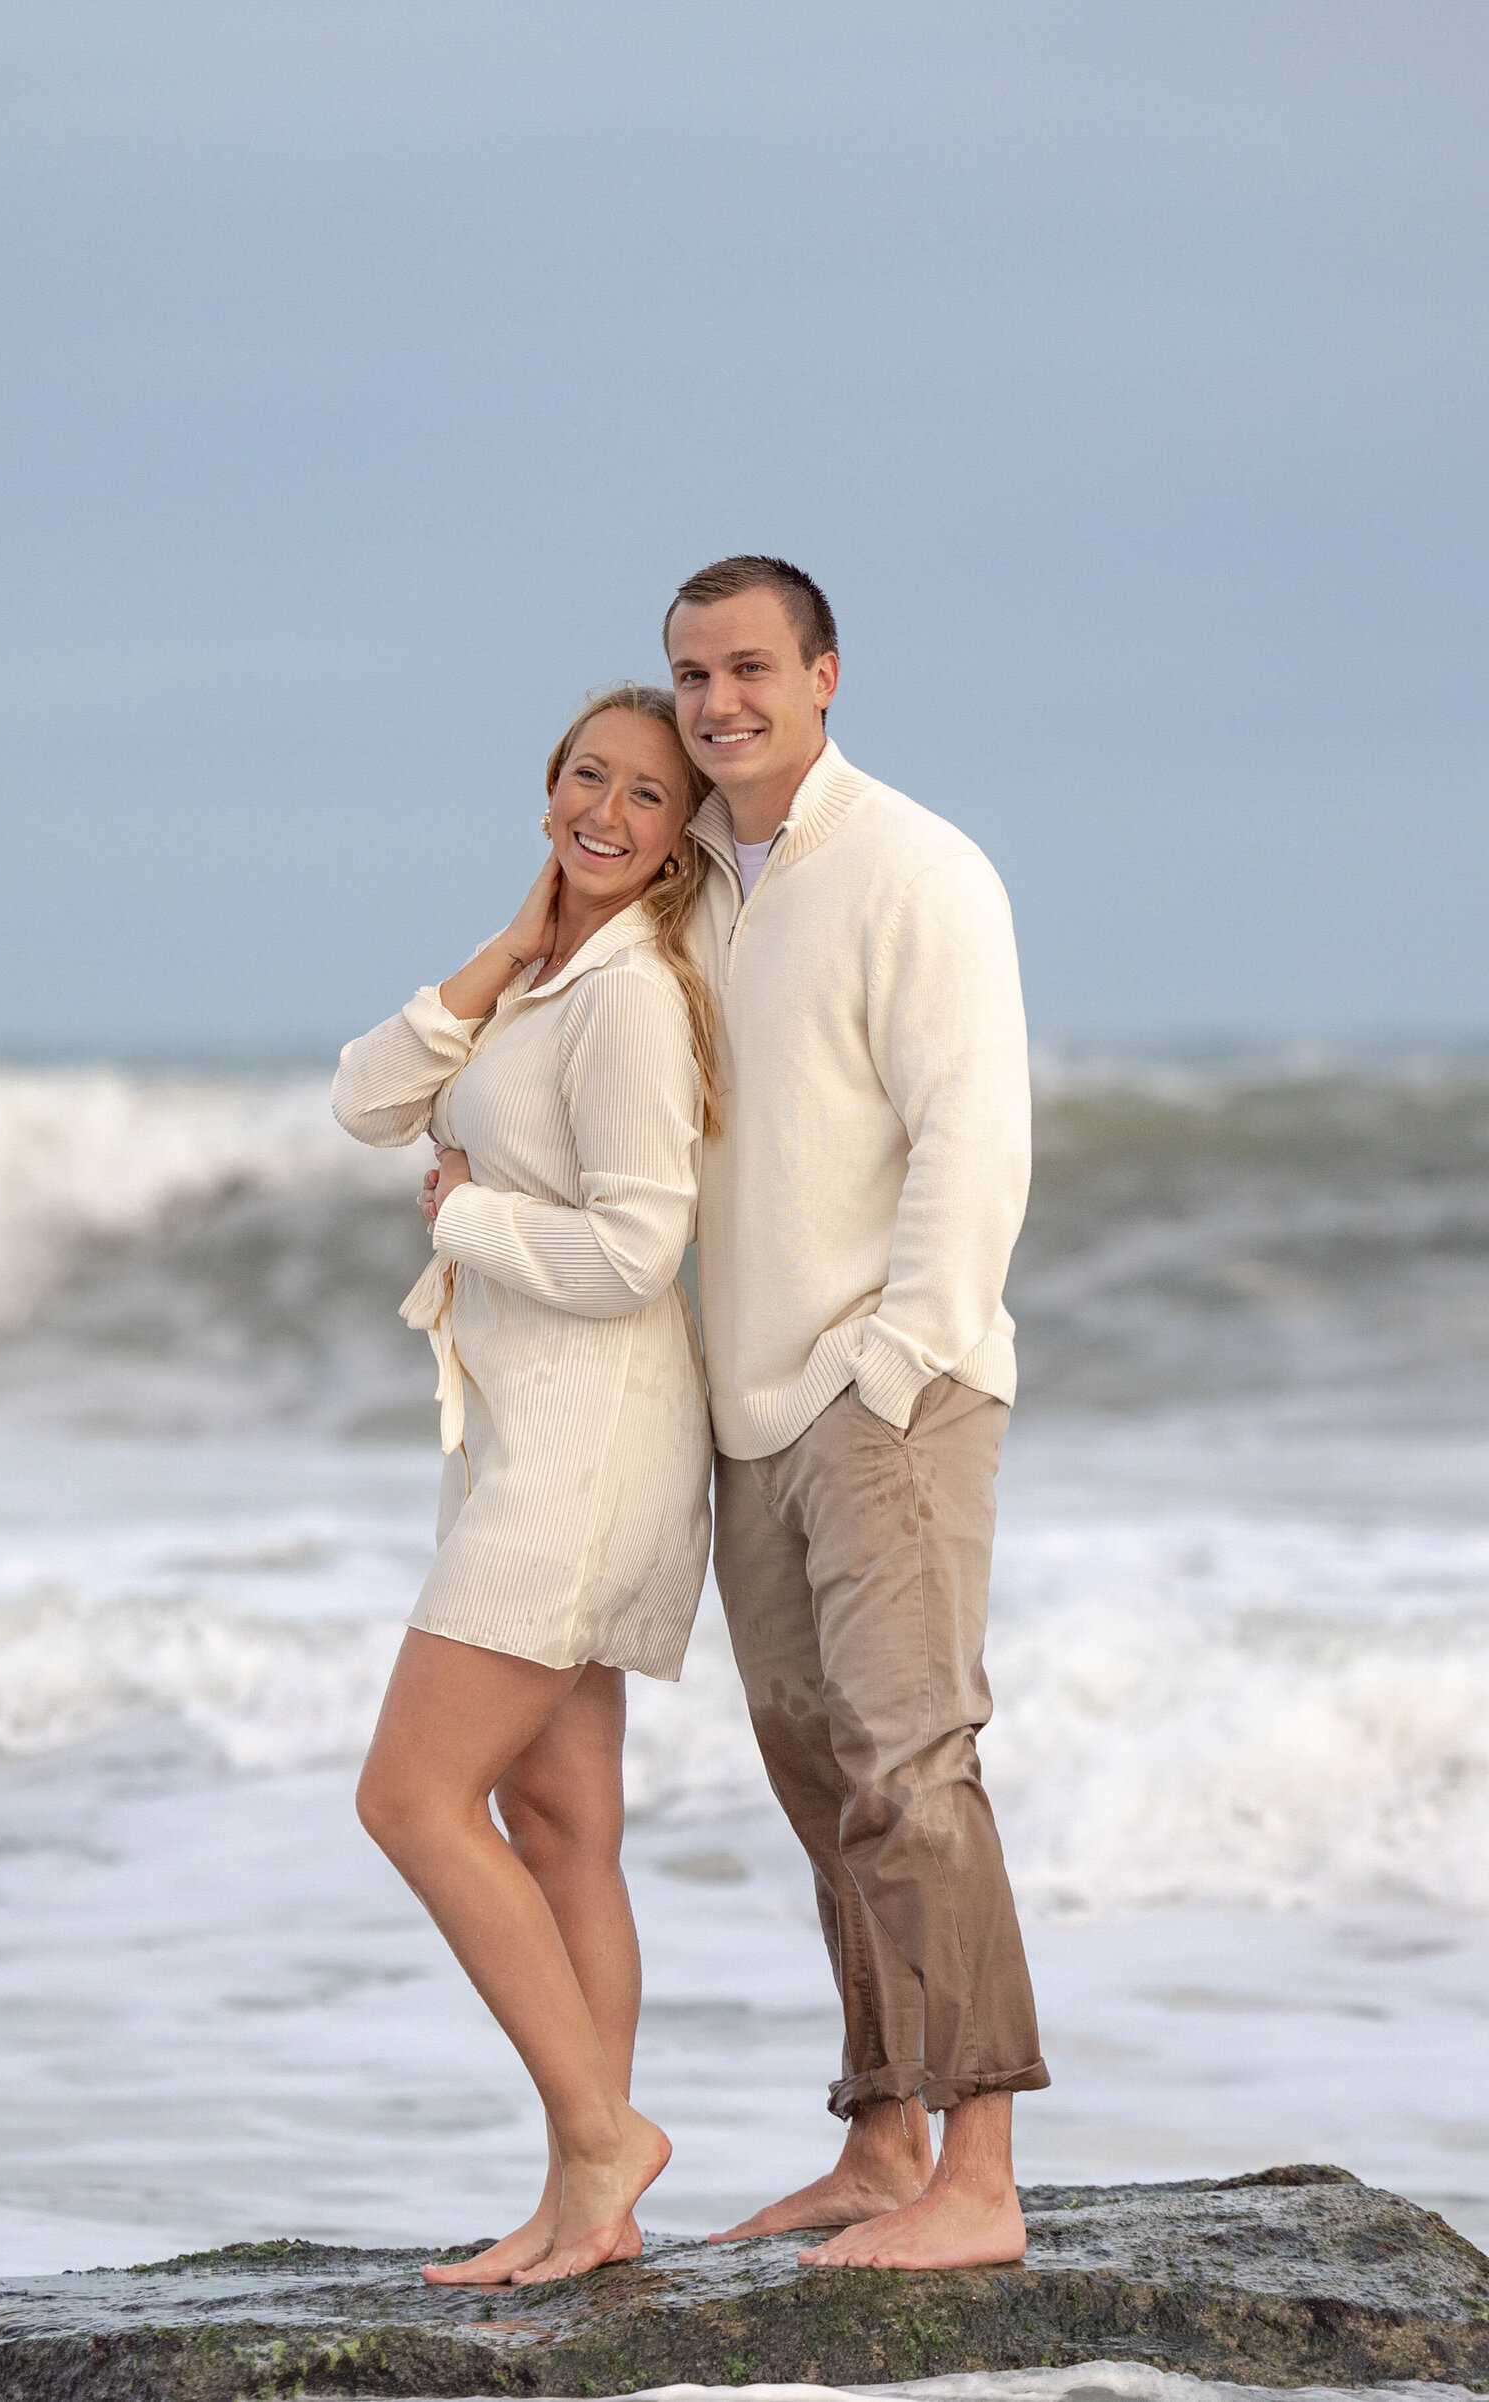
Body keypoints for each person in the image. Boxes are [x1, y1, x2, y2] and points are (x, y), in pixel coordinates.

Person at [664, 556, 1047, 2271]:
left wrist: (894, 1365)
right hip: (744, 1411)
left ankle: (983, 2174)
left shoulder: (918, 864)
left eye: (750, 666)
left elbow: (974, 1133)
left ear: (826, 674)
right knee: (822, 1782)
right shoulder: (696, 892)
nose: (719, 700)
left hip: (887, 1393)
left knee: (911, 1767)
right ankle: (884, 2139)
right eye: (691, 675)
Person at [331, 685, 716, 2284]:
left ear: (687, 830)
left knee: (410, 1796)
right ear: (546, 788)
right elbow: (365, 1096)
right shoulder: (551, 974)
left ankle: (602, 2134)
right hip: (530, 1435)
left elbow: (641, 1246)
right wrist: (513, 934)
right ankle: (585, 2203)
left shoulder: (631, 1000)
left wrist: (467, 1217)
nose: (608, 811)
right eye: (585, 777)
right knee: (558, 1822)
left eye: (646, 793)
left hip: (584, 1449)